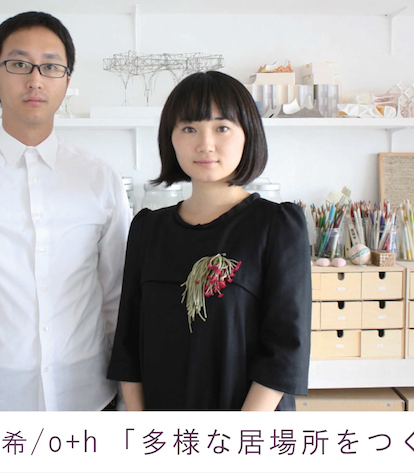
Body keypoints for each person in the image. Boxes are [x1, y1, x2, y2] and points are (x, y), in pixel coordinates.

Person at [0, 11, 131, 411]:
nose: (35, 79)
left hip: (89, 399)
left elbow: (117, 298)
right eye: (19, 64)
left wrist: (126, 402)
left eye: (50, 66)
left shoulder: (99, 179)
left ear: (66, 81)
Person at [107, 70, 311, 411]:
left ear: (248, 134)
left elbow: (285, 350)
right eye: (189, 128)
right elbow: (127, 344)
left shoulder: (276, 226)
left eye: (222, 127)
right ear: (170, 138)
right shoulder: (147, 229)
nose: (205, 144)